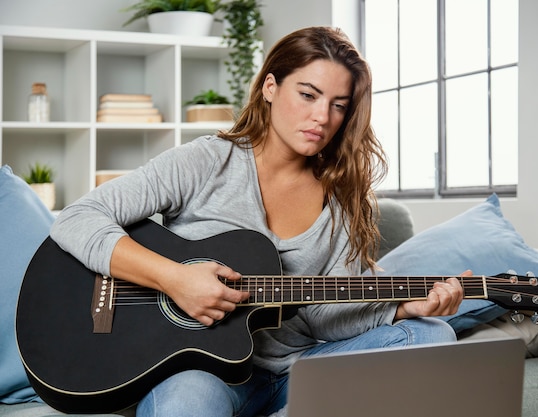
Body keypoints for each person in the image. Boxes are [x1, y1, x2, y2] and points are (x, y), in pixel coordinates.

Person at [51, 26, 464, 417]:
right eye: (308, 94)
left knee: (431, 336)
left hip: (297, 370)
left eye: (338, 105)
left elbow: (322, 316)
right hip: (203, 374)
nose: (322, 116)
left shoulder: (340, 198)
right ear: (271, 87)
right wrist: (173, 278)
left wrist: (400, 310)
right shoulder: (207, 161)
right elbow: (77, 218)